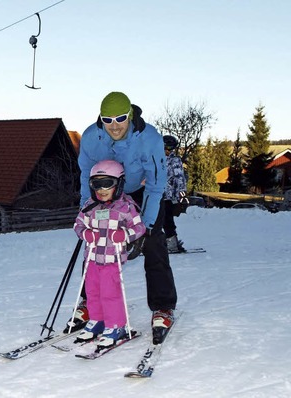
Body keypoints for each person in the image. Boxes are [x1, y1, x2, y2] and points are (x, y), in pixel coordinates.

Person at [72, 91, 177, 345]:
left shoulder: (149, 138)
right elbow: (86, 176)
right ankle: (90, 303)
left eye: (120, 118)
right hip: (105, 190)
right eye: (108, 120)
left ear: (130, 115)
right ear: (101, 120)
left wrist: (148, 224)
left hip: (143, 191)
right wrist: (86, 211)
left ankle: (162, 307)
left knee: (153, 244)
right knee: (95, 244)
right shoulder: (90, 138)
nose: (114, 125)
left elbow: (156, 183)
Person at [72, 160, 146, 347]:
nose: (102, 189)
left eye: (108, 183)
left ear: (119, 184)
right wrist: (85, 233)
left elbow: (139, 227)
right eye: (97, 184)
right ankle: (97, 320)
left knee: (110, 293)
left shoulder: (126, 206)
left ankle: (115, 325)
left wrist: (125, 235)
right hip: (91, 259)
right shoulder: (90, 205)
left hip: (112, 259)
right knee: (92, 292)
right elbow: (78, 225)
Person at [163, 135, 188, 253]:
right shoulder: (157, 158)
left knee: (167, 220)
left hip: (168, 196)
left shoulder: (175, 160)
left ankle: (172, 243)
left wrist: (181, 196)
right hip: (156, 194)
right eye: (165, 148)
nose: (167, 151)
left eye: (169, 148)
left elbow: (180, 179)